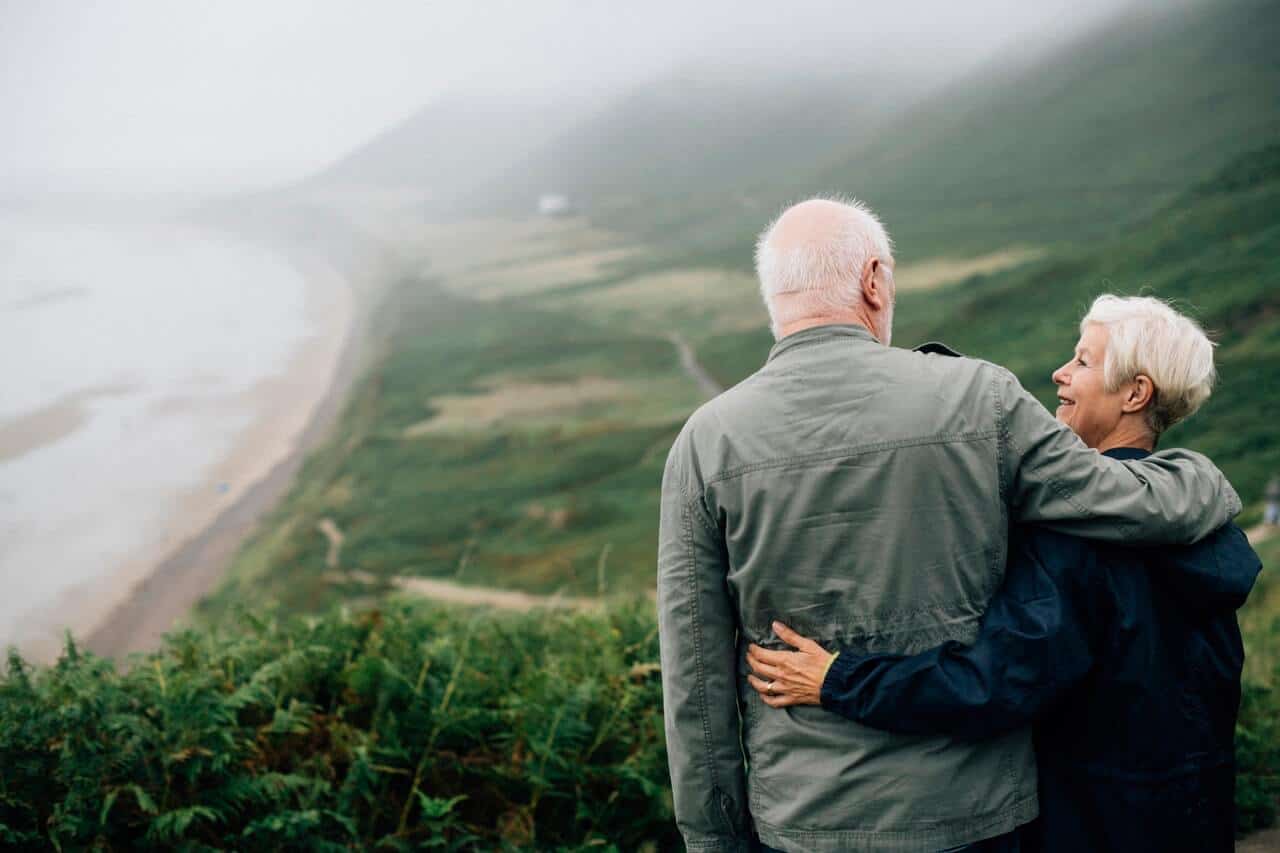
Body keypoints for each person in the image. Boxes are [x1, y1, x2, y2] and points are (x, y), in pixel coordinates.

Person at [657, 197, 1242, 853]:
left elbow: (695, 685)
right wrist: (1204, 477)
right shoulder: (981, 398)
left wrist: (715, 839)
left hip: (802, 820)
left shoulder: (704, 444)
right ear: (874, 279)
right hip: (980, 817)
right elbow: (1124, 501)